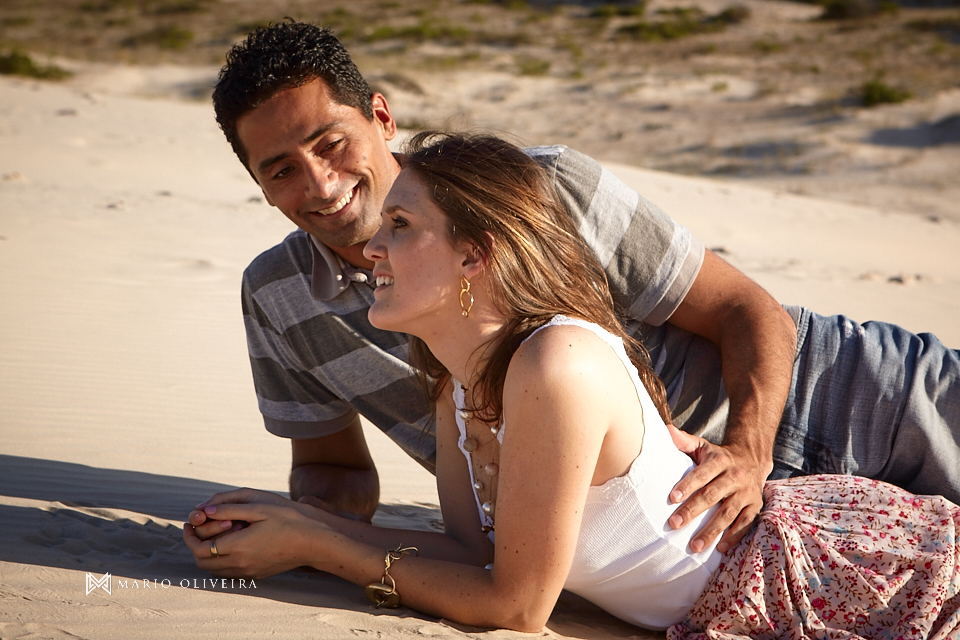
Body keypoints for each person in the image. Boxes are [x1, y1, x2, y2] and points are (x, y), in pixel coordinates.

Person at [191, 20, 960, 558]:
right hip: (713, 537)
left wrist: (748, 453)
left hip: (863, 401)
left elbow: (745, 310)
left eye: (332, 143)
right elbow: (334, 472)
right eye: (281, 170)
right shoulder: (281, 298)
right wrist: (284, 528)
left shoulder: (543, 186)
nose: (320, 184)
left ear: (382, 118)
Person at [184, 132, 960, 638]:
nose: (373, 251)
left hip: (842, 574)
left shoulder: (556, 364)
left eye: (402, 226)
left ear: (473, 255)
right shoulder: (459, 385)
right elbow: (470, 553)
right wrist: (296, 522)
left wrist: (321, 545)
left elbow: (516, 605)